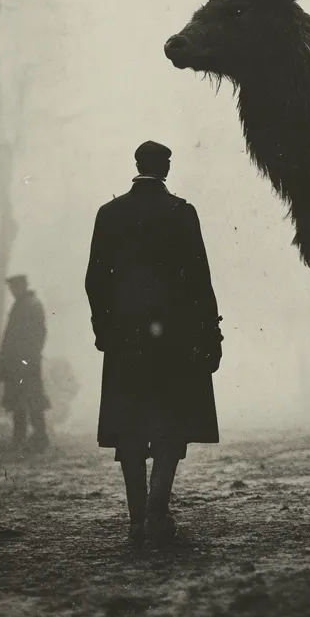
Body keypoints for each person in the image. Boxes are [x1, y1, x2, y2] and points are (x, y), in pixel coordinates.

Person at [85, 140, 223, 547]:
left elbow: (94, 280)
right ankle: (156, 513)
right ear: (165, 168)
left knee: (129, 428)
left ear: (137, 164)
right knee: (170, 424)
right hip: (174, 341)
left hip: (126, 340)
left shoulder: (109, 213)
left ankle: (136, 522)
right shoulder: (182, 212)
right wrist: (211, 335)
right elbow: (200, 280)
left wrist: (103, 329)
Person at [0, 275, 50, 453]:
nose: (13, 290)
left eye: (16, 287)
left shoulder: (32, 305)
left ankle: (40, 437)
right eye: (11, 287)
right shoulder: (19, 305)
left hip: (27, 363)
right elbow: (10, 336)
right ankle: (20, 438)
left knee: (32, 400)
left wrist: (27, 360)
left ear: (24, 286)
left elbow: (39, 335)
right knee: (18, 400)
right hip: (15, 363)